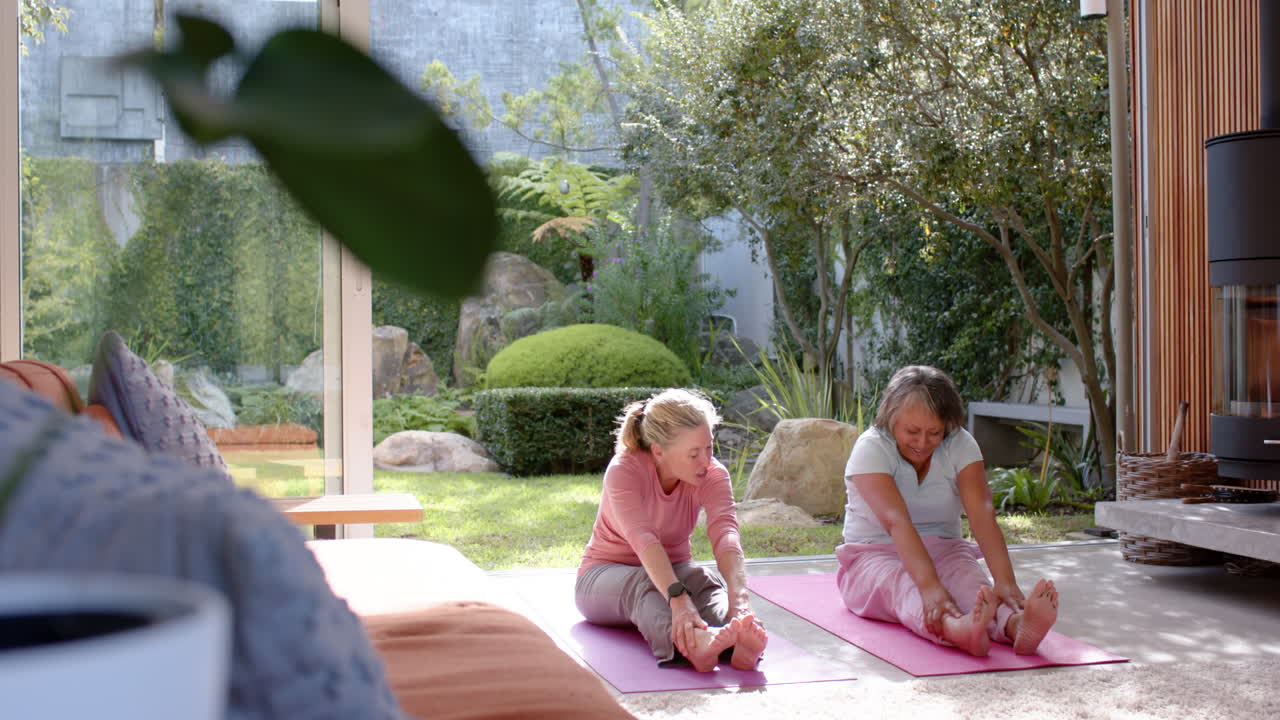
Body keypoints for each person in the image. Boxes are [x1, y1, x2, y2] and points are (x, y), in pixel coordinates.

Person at [837, 365, 1060, 657]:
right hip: (874, 555)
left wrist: (1005, 581)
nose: (922, 443)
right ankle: (954, 629)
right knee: (905, 587)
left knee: (974, 587)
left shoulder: (960, 445)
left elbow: (982, 513)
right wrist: (930, 587)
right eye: (912, 431)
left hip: (947, 550)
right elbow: (896, 522)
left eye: (934, 432)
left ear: (948, 425)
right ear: (891, 419)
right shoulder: (871, 448)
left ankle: (1016, 626)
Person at [575, 388, 768, 672]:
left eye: (709, 448)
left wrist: (739, 601)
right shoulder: (624, 470)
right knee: (646, 584)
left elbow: (726, 534)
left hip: (673, 571)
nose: (706, 461)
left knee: (703, 581)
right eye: (693, 454)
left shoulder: (712, 474)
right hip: (601, 578)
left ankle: (735, 633)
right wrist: (678, 599)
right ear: (658, 451)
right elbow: (644, 540)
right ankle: (694, 645)